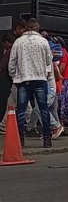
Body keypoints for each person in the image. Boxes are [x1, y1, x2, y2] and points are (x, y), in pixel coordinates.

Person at [8, 18, 53, 148]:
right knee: (44, 109)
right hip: (39, 79)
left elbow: (12, 62)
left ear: (27, 28)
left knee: (21, 110)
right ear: (37, 28)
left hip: (23, 80)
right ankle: (47, 139)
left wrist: (13, 75)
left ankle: (20, 140)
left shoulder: (18, 42)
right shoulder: (43, 41)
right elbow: (48, 60)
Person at [55, 37, 68, 128]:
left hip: (64, 80)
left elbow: (62, 68)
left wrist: (56, 76)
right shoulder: (62, 52)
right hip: (64, 79)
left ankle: (62, 123)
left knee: (62, 101)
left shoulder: (62, 52)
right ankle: (61, 123)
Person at [0, 32, 17, 127]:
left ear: (6, 42)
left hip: (16, 80)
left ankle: (3, 125)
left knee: (13, 103)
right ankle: (4, 125)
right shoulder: (17, 49)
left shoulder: (9, 51)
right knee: (12, 102)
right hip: (20, 80)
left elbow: (2, 67)